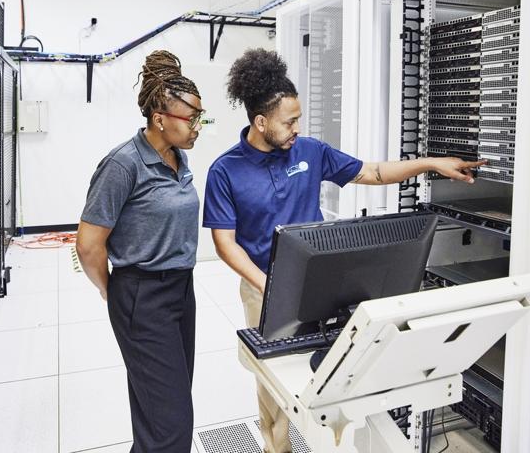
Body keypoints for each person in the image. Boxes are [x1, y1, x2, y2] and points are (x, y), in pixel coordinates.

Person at [202, 49, 484, 453]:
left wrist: (432, 163)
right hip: (262, 288)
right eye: (290, 121)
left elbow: (373, 172)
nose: (298, 127)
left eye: (298, 118)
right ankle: (275, 448)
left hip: (320, 283)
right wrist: (268, 286)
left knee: (336, 372)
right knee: (275, 382)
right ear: (261, 122)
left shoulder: (310, 151)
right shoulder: (225, 170)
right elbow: (225, 244)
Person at [77, 50, 206, 453]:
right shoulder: (123, 164)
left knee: (162, 411)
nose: (198, 127)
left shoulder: (177, 158)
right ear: (160, 119)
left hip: (181, 292)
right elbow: (88, 244)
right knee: (171, 426)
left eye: (201, 117)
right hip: (142, 296)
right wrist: (111, 290)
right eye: (191, 118)